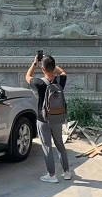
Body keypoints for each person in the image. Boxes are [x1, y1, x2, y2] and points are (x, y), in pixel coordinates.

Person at [25, 54, 71, 183]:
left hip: (43, 119)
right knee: (60, 144)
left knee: (47, 146)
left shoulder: (39, 83)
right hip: (57, 117)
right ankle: (67, 172)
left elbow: (27, 76)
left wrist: (35, 63)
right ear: (53, 66)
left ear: (42, 69)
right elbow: (62, 72)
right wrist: (52, 66)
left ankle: (52, 175)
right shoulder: (60, 81)